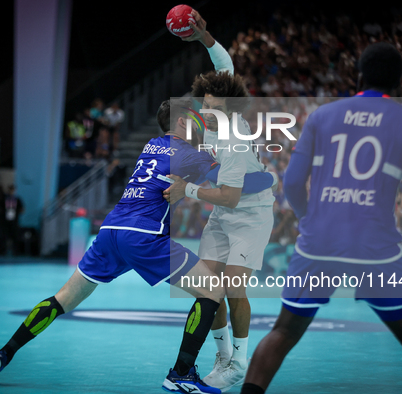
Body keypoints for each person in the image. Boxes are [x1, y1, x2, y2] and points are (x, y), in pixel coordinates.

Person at [0, 99, 276, 394]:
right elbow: (234, 186)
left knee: (63, 299)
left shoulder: (151, 145)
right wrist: (267, 177)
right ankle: (181, 374)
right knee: (213, 291)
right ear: (183, 122)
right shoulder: (188, 153)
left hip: (109, 232)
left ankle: (2, 355)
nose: (199, 123)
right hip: (143, 235)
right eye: (194, 119)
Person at [240, 43, 402, 394]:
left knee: (284, 331)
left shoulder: (323, 115)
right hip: (375, 248)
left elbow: (293, 182)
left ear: (358, 76)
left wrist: (307, 217)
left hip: (318, 244)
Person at [167, 11, 275, 392]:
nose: (207, 110)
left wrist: (189, 190)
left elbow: (229, 195)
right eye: (205, 103)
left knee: (233, 289)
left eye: (214, 104)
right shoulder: (206, 130)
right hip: (223, 216)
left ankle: (240, 362)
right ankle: (222, 355)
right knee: (205, 287)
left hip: (252, 216)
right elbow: (222, 66)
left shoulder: (236, 132)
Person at [1, 185, 24, 256]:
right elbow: (0, 208)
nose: (11, 191)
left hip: (14, 221)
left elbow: (22, 209)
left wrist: (16, 213)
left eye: (13, 190)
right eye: (10, 190)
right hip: (6, 221)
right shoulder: (5, 199)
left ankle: (15, 252)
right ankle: (4, 251)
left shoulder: (17, 199)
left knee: (15, 236)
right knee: (5, 236)